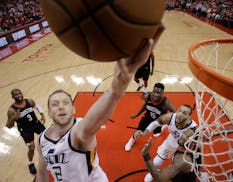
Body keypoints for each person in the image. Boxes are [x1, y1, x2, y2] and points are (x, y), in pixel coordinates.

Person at [35, 26, 165, 182]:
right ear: (48, 112)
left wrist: (118, 87)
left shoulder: (80, 130)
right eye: (55, 104)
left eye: (65, 103)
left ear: (74, 108)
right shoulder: (42, 139)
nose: (61, 106)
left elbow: (95, 118)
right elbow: (42, 171)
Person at [141, 125, 233, 182]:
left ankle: (199, 175)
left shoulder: (181, 161)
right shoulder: (198, 140)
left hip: (183, 178)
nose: (184, 136)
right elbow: (218, 132)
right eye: (185, 133)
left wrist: (146, 155)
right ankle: (200, 175)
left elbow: (159, 179)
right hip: (195, 168)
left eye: (189, 136)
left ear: (193, 140)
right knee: (195, 171)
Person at [137, 104, 198, 182]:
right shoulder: (170, 117)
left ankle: (200, 174)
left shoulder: (193, 129)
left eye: (184, 113)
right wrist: (144, 133)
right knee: (156, 161)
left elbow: (193, 146)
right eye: (179, 111)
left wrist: (177, 149)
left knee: (186, 168)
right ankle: (154, 171)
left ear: (189, 117)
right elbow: (155, 123)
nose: (179, 115)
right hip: (172, 140)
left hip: (184, 148)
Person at [124, 83, 176, 152]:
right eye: (154, 91)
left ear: (163, 93)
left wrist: (169, 121)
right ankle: (131, 140)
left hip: (158, 121)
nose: (155, 94)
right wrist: (137, 114)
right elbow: (145, 105)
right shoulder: (147, 96)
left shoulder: (166, 103)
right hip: (147, 117)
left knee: (156, 134)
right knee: (139, 131)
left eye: (158, 93)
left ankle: (163, 126)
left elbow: (176, 114)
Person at [6, 89, 46, 174]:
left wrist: (42, 115)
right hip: (25, 130)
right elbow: (9, 126)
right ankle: (31, 163)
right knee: (31, 148)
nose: (19, 95)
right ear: (13, 97)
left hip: (36, 124)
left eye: (20, 93)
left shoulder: (29, 101)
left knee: (47, 137)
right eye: (16, 94)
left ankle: (50, 155)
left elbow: (37, 106)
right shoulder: (11, 110)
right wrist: (13, 118)